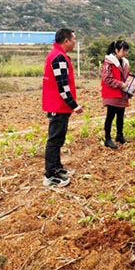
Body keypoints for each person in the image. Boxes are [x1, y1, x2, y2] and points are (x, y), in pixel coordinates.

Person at [42, 28, 83, 187]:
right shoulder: (59, 58)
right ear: (66, 41)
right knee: (54, 141)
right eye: (73, 39)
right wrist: (75, 105)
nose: (74, 42)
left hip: (59, 106)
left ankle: (57, 168)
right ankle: (50, 175)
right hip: (58, 106)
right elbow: (63, 87)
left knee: (58, 140)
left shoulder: (57, 55)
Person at [101, 40, 131, 149]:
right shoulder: (108, 63)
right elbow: (107, 78)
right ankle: (107, 138)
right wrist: (121, 84)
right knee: (110, 115)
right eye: (123, 51)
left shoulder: (124, 62)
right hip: (112, 93)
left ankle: (119, 135)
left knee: (120, 115)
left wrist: (129, 86)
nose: (125, 53)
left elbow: (126, 77)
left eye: (126, 51)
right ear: (116, 50)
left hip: (122, 93)